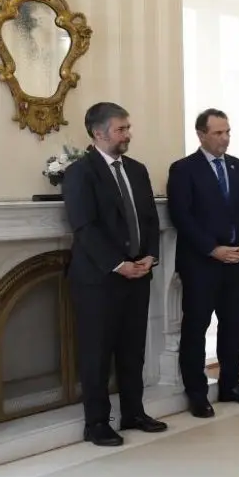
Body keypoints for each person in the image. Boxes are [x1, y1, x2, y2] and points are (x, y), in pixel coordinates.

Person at [62, 102, 166, 446]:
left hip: (139, 273)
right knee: (97, 352)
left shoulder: (136, 169)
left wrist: (149, 257)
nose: (128, 134)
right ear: (98, 133)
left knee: (132, 348)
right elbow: (84, 227)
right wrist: (118, 264)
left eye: (127, 127)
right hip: (99, 279)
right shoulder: (81, 172)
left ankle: (133, 412)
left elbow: (150, 219)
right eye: (121, 129)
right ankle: (96, 423)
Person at [167, 108, 239, 418]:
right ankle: (196, 393)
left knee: (234, 326)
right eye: (219, 133)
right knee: (197, 328)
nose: (225, 138)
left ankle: (231, 384)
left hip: (238, 260)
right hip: (202, 264)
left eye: (227, 132)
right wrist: (213, 249)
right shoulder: (184, 169)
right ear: (201, 135)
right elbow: (182, 216)